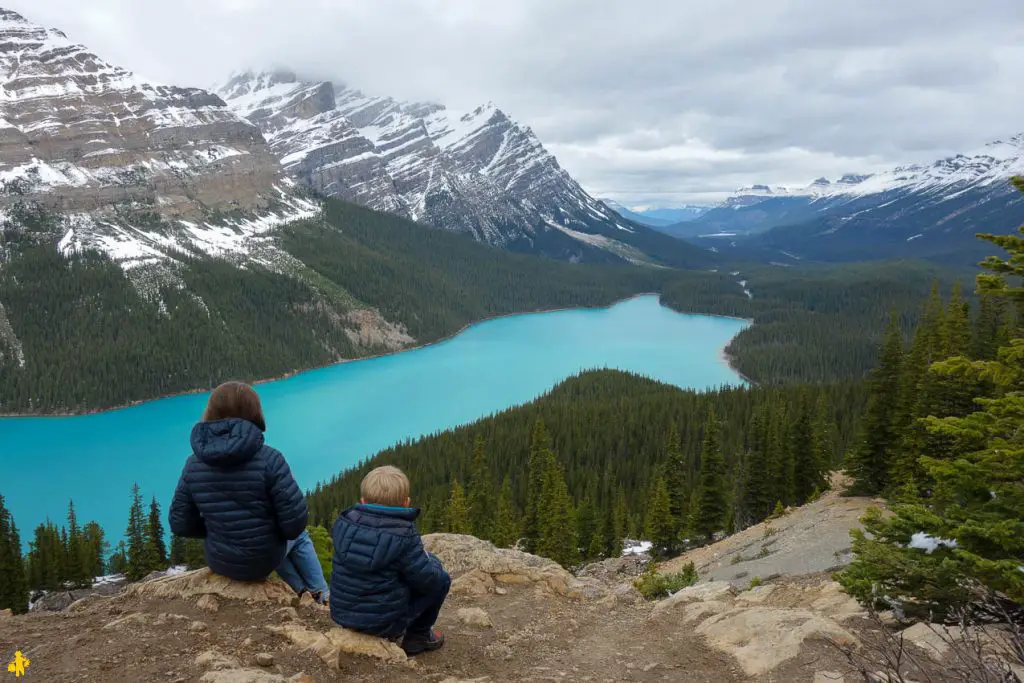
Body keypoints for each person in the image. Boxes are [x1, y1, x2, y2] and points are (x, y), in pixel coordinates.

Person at [169, 381, 329, 604]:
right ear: (254, 413)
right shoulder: (270, 459)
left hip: (220, 560)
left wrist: (218, 528)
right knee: (298, 537)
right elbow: (294, 525)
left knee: (272, 537)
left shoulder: (193, 464)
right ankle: (322, 597)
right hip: (262, 560)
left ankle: (302, 592)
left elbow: (180, 524)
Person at [329, 465, 451, 656]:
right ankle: (418, 637)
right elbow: (429, 580)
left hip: (341, 615)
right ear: (406, 502)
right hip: (382, 625)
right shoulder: (404, 535)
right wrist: (433, 562)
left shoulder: (344, 523)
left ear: (362, 500)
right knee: (441, 579)